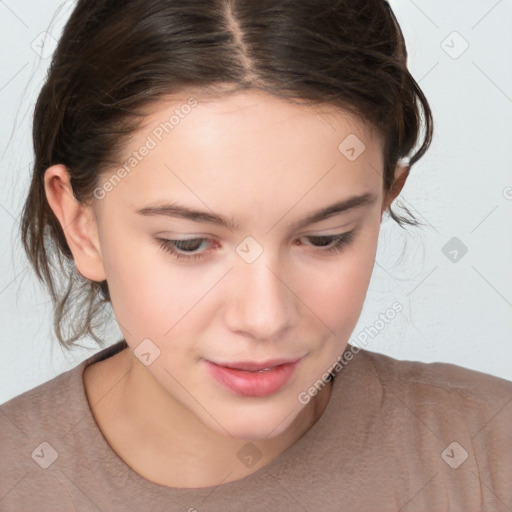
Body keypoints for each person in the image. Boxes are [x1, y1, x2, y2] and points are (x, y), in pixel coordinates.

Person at [1, 0, 511, 510]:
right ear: (81, 224)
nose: (264, 319)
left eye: (325, 237)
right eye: (189, 243)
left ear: (384, 200)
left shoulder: (490, 451)